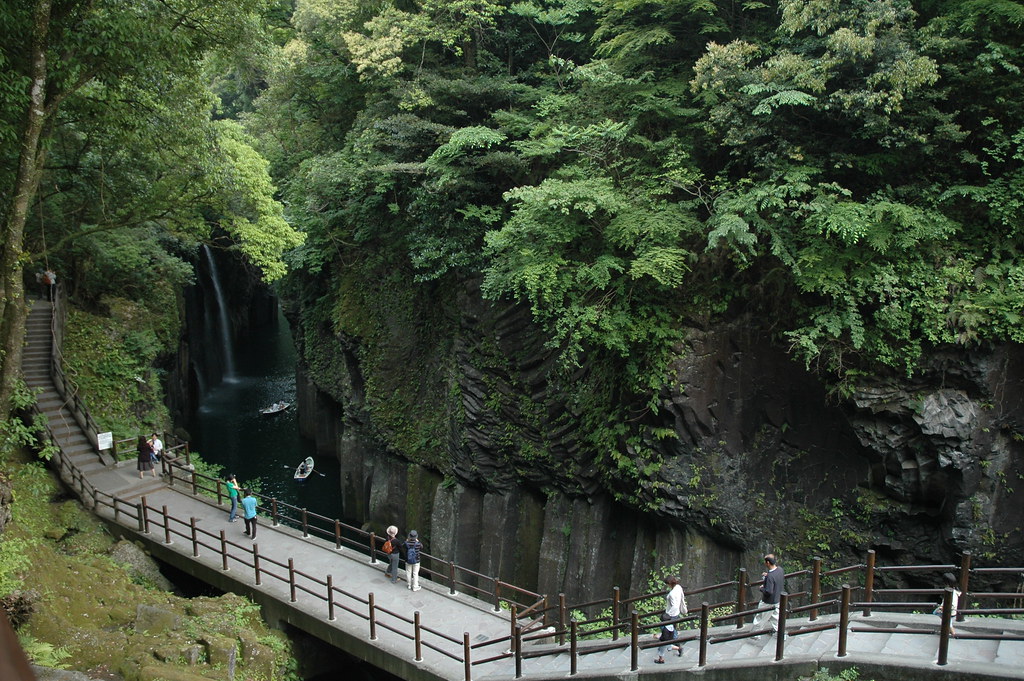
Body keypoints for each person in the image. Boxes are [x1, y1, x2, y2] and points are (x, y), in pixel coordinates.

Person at [654, 575, 687, 663]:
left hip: (671, 615)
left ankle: (674, 645)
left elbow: (674, 606)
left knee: (666, 632)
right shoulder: (678, 587)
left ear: (669, 583)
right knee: (672, 629)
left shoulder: (672, 594)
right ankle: (675, 645)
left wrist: (666, 616)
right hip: (676, 614)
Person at [752, 554, 784, 636]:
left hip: (768, 602)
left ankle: (755, 635)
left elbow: (769, 591)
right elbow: (775, 578)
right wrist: (767, 576)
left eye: (765, 562)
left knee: (760, 617)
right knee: (776, 618)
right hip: (777, 599)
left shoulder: (770, 576)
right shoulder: (780, 570)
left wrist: (762, 588)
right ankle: (781, 634)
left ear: (768, 563)